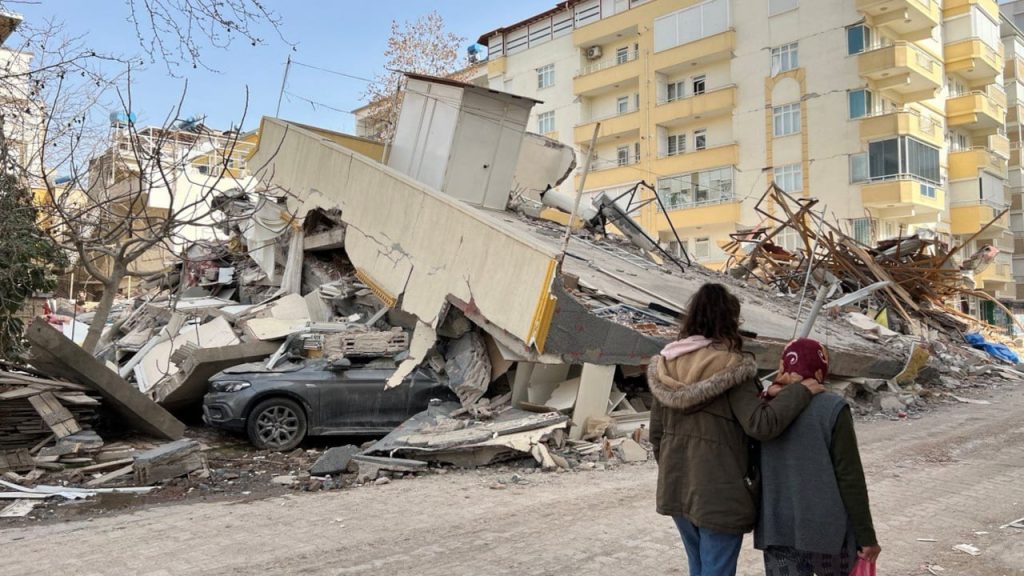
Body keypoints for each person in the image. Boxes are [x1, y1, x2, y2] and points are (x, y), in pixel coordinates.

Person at [649, 283, 823, 576]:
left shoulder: (666, 366)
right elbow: (761, 425)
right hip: (720, 494)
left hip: (676, 487)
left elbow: (656, 437)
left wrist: (679, 469)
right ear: (731, 321)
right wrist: (801, 392)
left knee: (700, 567)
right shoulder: (733, 368)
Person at [755, 338, 881, 576]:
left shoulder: (763, 408)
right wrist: (866, 536)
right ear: (820, 367)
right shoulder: (832, 408)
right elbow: (849, 476)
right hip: (828, 531)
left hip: (777, 528)